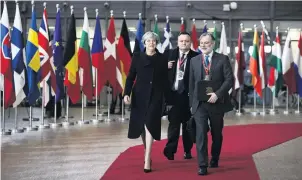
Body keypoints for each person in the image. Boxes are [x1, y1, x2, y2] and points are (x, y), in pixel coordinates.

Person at [189, 32, 234, 176]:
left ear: (213, 44)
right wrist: (192, 104)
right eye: (201, 43)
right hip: (200, 105)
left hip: (216, 103)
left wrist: (217, 94)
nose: (203, 45)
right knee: (201, 134)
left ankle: (215, 157)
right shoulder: (194, 61)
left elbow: (229, 80)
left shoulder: (222, 59)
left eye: (206, 43)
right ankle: (202, 165)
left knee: (216, 134)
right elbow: (191, 84)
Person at [123, 31, 168, 173]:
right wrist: (126, 93)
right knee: (142, 124)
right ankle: (146, 150)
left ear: (156, 43)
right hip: (139, 95)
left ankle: (147, 157)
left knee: (150, 123)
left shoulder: (162, 58)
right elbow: (130, 77)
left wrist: (167, 98)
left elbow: (165, 80)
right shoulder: (137, 57)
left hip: (155, 95)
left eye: (154, 41)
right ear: (144, 43)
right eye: (148, 41)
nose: (151, 43)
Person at [163, 32, 199, 161]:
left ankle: (187, 150)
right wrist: (164, 66)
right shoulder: (168, 54)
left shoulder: (196, 56)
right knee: (173, 124)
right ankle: (170, 150)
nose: (184, 43)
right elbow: (158, 71)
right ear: (177, 42)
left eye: (187, 41)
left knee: (187, 125)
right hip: (173, 95)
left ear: (190, 43)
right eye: (182, 41)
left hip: (188, 96)